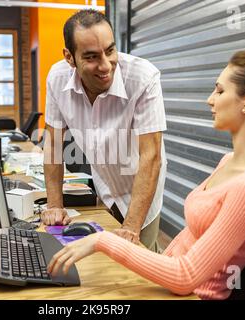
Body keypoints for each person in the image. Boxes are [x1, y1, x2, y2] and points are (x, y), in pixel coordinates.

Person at [47, 50, 245, 300]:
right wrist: (129, 249)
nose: (210, 99)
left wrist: (103, 241)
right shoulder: (230, 162)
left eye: (220, 90)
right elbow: (189, 242)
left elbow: (185, 276)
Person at [41, 9, 167, 251]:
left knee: (141, 274)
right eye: (91, 57)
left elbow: (151, 157)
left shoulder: (143, 77)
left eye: (110, 51)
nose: (105, 65)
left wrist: (131, 227)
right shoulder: (57, 78)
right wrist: (55, 206)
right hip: (105, 189)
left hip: (141, 194)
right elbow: (53, 144)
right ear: (70, 57)